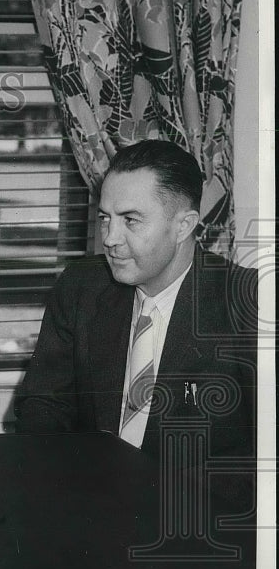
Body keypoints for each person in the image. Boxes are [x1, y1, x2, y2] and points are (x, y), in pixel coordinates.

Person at [14, 140, 257, 491]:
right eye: (105, 219)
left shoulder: (249, 303)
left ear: (184, 225)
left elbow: (259, 457)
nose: (110, 239)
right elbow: (44, 407)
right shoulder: (81, 287)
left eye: (131, 220)